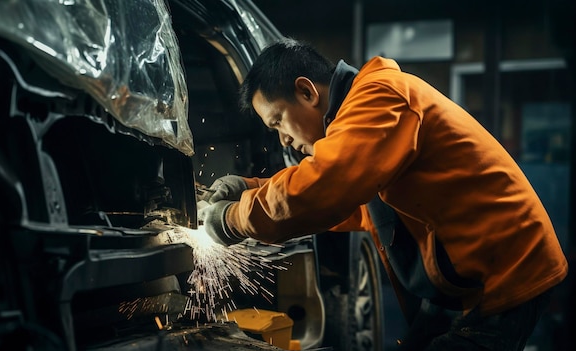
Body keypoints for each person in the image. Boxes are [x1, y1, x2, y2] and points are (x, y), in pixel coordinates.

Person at [199, 37, 568, 350]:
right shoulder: (365, 122)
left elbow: (326, 185)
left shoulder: (379, 96)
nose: (284, 139)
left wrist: (232, 219)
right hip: (471, 275)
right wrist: (248, 189)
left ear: (307, 91)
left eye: (278, 121)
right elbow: (353, 203)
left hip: (508, 267)